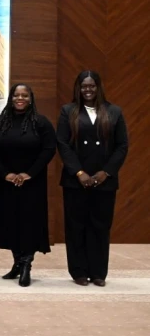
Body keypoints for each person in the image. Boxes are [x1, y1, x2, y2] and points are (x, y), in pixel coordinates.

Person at [56, 71, 128, 287]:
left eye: (92, 86)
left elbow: (122, 145)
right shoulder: (68, 111)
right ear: (78, 88)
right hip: (75, 180)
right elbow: (63, 144)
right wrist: (79, 172)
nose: (88, 90)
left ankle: (98, 273)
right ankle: (78, 271)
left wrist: (106, 172)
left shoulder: (114, 111)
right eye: (84, 86)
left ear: (98, 87)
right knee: (76, 226)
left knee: (100, 226)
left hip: (105, 180)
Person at [0, 83, 56, 287]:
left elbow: (49, 149)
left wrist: (29, 173)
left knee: (29, 224)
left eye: (25, 95)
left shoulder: (41, 123)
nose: (20, 98)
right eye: (16, 95)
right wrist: (5, 173)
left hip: (32, 183)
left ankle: (26, 265)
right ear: (11, 98)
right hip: (6, 182)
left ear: (31, 99)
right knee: (10, 223)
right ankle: (17, 262)